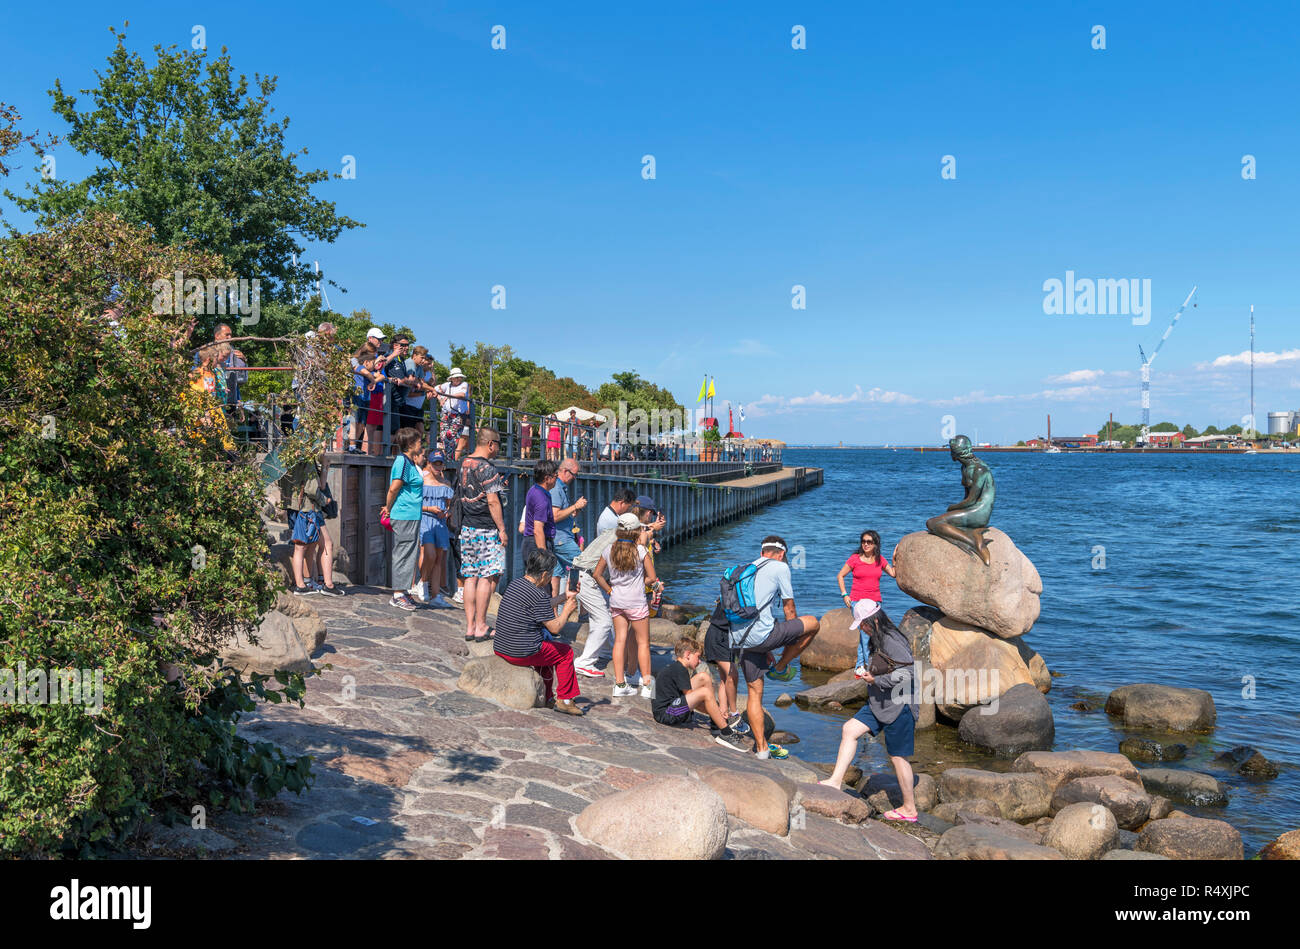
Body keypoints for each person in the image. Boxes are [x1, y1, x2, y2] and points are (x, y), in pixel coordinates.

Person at [819, 600, 919, 822]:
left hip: (899, 706)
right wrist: (869, 673)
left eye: (863, 625)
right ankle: (835, 781)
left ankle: (909, 809)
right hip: (879, 702)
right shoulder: (877, 637)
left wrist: (877, 679)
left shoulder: (892, 639)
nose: (862, 629)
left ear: (874, 620)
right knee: (850, 729)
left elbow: (909, 673)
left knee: (898, 757)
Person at [728, 535, 821, 759]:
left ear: (762, 552)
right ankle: (780, 667)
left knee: (754, 693)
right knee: (813, 623)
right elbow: (789, 608)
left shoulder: (745, 569)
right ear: (781, 555)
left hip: (740, 639)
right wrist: (788, 642)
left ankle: (761, 749)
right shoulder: (780, 567)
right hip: (762, 636)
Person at [493, 548, 584, 716]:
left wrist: (565, 596)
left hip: (501, 646)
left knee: (550, 653)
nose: (550, 578)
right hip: (520, 651)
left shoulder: (516, 584)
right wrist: (567, 611)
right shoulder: (537, 595)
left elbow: (540, 607)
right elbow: (555, 628)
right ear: (543, 575)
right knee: (565, 653)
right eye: (550, 575)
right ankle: (565, 700)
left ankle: (548, 697)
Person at [572, 489, 638, 678]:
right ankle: (584, 663)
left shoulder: (613, 532)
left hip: (582, 574)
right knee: (603, 622)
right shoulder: (618, 540)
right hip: (586, 577)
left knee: (600, 617)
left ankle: (607, 652)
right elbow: (601, 571)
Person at [592, 512, 659, 698]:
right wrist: (640, 583)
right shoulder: (641, 551)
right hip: (636, 602)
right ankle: (646, 685)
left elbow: (597, 574)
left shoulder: (609, 549)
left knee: (619, 641)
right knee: (643, 643)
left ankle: (620, 685)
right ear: (636, 530)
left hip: (617, 602)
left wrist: (609, 590)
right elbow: (652, 578)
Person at [652, 636, 749, 752]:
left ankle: (715, 722)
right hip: (667, 714)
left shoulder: (676, 667)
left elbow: (690, 699)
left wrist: (715, 711)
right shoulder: (680, 670)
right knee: (705, 692)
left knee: (704, 677)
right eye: (698, 657)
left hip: (671, 706)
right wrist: (716, 710)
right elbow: (694, 702)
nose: (699, 661)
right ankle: (726, 733)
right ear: (688, 654)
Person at [458, 427, 507, 641]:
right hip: (486, 527)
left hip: (467, 526)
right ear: (490, 444)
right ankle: (481, 626)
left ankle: (469, 627)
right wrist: (502, 529)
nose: (498, 449)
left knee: (470, 576)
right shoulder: (488, 468)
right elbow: (493, 501)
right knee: (487, 577)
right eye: (498, 444)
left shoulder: (464, 463)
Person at [380, 427, 426, 611]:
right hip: (404, 514)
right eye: (419, 441)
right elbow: (394, 487)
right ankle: (398, 593)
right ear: (410, 444)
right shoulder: (402, 462)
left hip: (412, 515)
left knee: (410, 553)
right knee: (403, 552)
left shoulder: (409, 462)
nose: (421, 444)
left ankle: (404, 590)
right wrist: (388, 508)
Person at [413, 450, 454, 607]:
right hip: (425, 519)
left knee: (438, 559)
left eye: (440, 463)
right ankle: (422, 582)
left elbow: (449, 505)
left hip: (440, 523)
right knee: (429, 554)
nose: (438, 466)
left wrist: (447, 513)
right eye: (434, 463)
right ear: (428, 463)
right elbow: (415, 503)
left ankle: (435, 595)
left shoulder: (446, 483)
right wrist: (430, 509)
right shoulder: (422, 479)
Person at [281, 455, 326, 596]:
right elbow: (312, 490)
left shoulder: (285, 459)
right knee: (301, 547)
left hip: (291, 506)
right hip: (304, 509)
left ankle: (305, 581)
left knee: (303, 545)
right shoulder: (307, 461)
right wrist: (323, 500)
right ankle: (300, 584)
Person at [549, 457, 588, 594]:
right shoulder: (556, 488)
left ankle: (557, 613)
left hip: (561, 538)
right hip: (561, 540)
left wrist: (573, 512)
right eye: (574, 475)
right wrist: (575, 506)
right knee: (585, 566)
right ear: (565, 471)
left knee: (557, 577)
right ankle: (584, 613)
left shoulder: (560, 488)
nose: (575, 478)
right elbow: (554, 516)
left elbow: (561, 514)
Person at [836, 529, 897, 611]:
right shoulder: (854, 559)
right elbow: (840, 576)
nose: (865, 544)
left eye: (869, 542)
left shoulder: (880, 560)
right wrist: (845, 595)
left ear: (875, 544)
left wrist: (894, 559)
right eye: (863, 541)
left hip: (875, 601)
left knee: (874, 624)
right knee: (862, 624)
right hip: (857, 602)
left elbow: (893, 574)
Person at [522, 459, 557, 566]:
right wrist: (543, 554)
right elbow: (538, 529)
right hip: (537, 543)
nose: (557, 478)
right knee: (541, 581)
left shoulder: (534, 490)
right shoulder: (541, 498)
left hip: (530, 542)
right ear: (547, 478)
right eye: (555, 476)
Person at [434, 368, 471, 461]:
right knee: (443, 436)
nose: (458, 379)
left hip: (458, 415)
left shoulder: (464, 384)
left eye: (459, 377)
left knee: (452, 437)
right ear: (451, 378)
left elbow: (462, 394)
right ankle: (446, 458)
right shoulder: (446, 385)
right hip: (446, 413)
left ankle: (449, 460)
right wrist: (440, 399)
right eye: (456, 377)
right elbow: (435, 389)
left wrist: (447, 397)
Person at [404, 344, 435, 439]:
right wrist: (431, 389)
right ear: (414, 356)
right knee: (406, 433)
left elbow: (422, 383)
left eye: (424, 358)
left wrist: (429, 389)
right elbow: (414, 380)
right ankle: (400, 453)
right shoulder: (410, 363)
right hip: (405, 404)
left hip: (416, 407)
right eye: (421, 358)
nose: (423, 360)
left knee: (418, 431)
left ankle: (413, 452)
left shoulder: (420, 367)